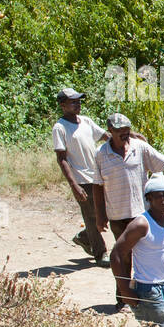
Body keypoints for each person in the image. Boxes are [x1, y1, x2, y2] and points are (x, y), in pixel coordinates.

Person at [93, 114, 164, 304]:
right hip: (117, 214)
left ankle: (148, 295)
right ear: (111, 132)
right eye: (121, 134)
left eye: (128, 134)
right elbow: (97, 185)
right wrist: (100, 215)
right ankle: (123, 296)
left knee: (149, 253)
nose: (126, 138)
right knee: (123, 256)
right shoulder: (101, 154)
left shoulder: (139, 147)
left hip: (141, 214)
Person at [109, 175, 164, 327]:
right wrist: (124, 290)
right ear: (149, 198)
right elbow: (116, 255)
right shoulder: (141, 224)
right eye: (161, 195)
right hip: (148, 289)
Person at [52, 87, 111, 266]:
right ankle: (100, 254)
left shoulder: (85, 121)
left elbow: (106, 136)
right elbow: (62, 159)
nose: (77, 104)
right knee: (92, 216)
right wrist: (74, 185)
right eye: (73, 101)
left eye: (78, 100)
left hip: (98, 175)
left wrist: (127, 136)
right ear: (63, 105)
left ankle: (84, 237)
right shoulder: (60, 128)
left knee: (106, 211)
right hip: (81, 179)